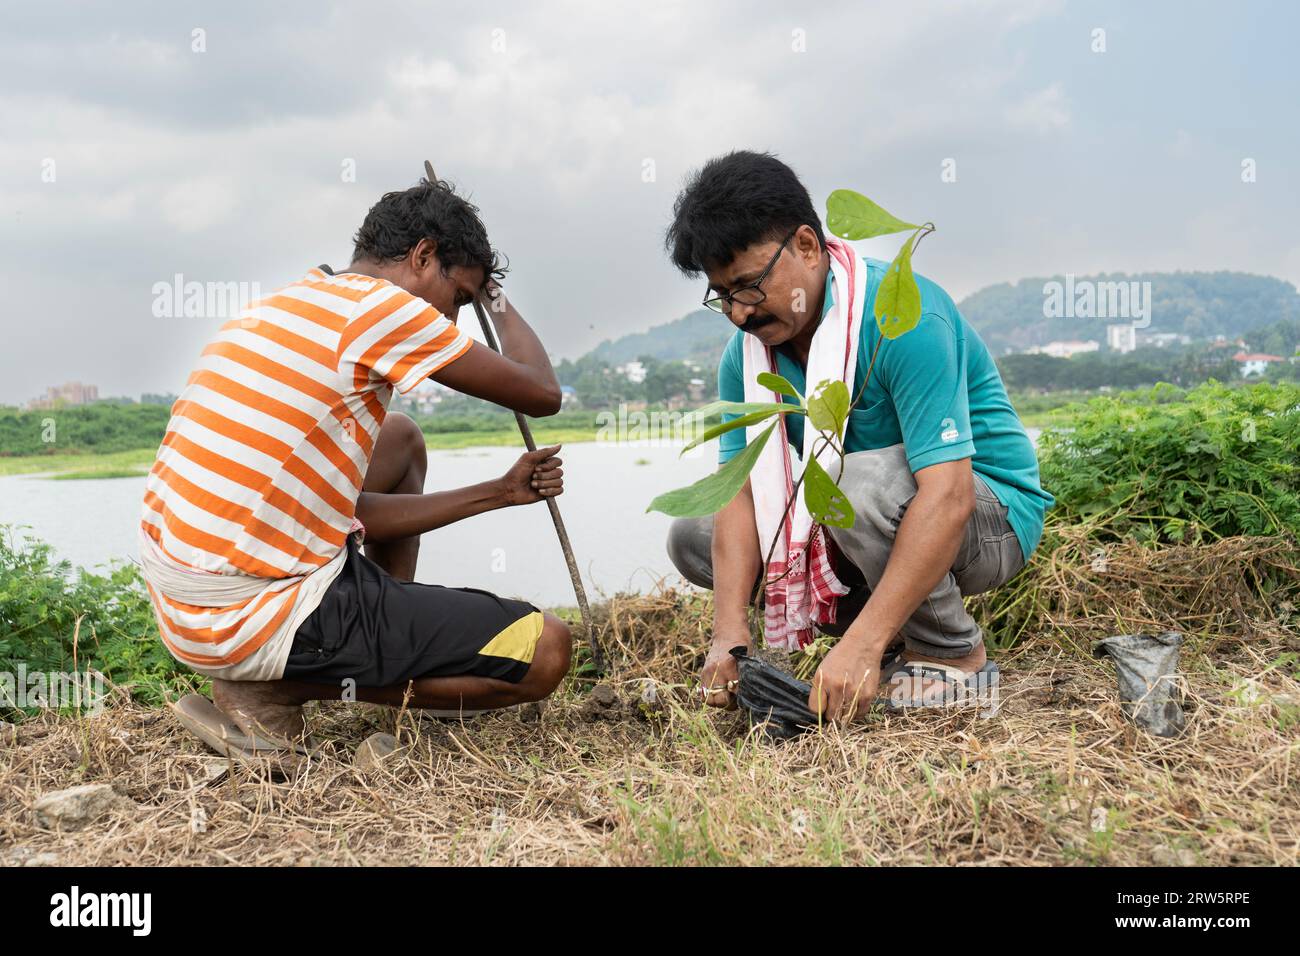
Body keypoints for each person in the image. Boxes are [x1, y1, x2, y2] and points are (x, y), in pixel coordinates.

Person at [139, 176, 572, 761]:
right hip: (257, 614)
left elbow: (344, 514)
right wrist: (495, 292)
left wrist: (497, 491)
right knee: (546, 649)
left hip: (189, 609)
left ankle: (374, 640)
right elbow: (542, 392)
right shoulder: (383, 308)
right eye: (461, 297)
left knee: (401, 440)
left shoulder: (289, 300)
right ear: (423, 256)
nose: (457, 315)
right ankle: (278, 688)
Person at [663, 151, 1054, 723]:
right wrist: (729, 638)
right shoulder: (745, 357)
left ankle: (950, 651)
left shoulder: (906, 318)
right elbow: (739, 494)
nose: (739, 314)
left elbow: (948, 495)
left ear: (806, 245)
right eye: (722, 295)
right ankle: (886, 633)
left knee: (852, 482)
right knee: (693, 536)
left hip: (988, 518)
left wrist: (862, 644)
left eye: (749, 286)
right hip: (878, 510)